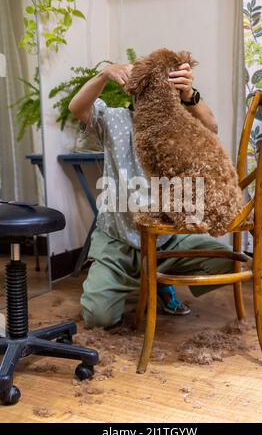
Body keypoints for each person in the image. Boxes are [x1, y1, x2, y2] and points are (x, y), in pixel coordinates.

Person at [69, 59, 234, 329]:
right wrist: (104, 74)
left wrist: (190, 95)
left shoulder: (178, 123)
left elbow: (211, 127)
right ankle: (137, 281)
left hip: (167, 242)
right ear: (134, 89)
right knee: (98, 317)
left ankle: (158, 281)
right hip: (118, 242)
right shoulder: (114, 119)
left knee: (230, 263)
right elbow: (77, 107)